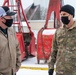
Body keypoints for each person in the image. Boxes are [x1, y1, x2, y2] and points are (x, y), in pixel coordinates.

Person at [48, 4, 76, 75]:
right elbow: (54, 50)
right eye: (61, 15)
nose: (62, 17)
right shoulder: (59, 31)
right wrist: (51, 67)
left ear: (71, 15)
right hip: (60, 71)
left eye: (64, 14)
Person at [0, 6, 21, 75]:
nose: (11, 19)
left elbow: (17, 48)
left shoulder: (11, 31)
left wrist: (17, 65)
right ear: (1, 18)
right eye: (9, 16)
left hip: (12, 72)